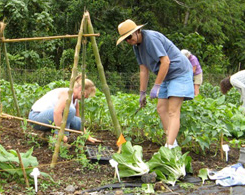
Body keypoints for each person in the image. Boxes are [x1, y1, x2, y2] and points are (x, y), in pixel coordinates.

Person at [116, 19, 194, 149]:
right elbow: (143, 70)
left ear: (137, 31)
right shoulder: (136, 47)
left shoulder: (150, 39)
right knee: (161, 109)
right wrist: (142, 93)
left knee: (173, 111)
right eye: (125, 39)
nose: (128, 41)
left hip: (179, 72)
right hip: (166, 75)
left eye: (129, 37)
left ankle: (169, 147)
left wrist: (156, 86)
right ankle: (173, 145)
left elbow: (166, 62)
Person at [28, 74, 101, 143]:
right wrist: (61, 134)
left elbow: (78, 122)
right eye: (87, 94)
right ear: (81, 89)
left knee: (76, 120)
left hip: (49, 119)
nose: (87, 97)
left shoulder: (75, 101)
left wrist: (87, 136)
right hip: (36, 118)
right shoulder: (66, 93)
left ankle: (60, 138)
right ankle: (57, 139)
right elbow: (56, 112)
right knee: (70, 110)